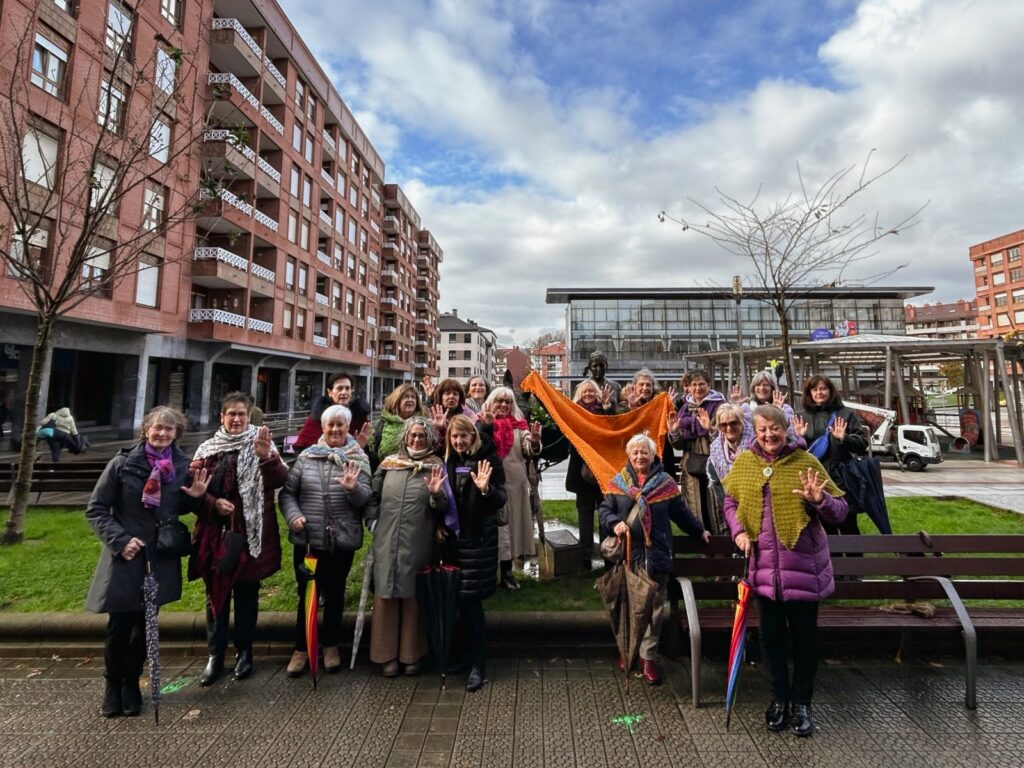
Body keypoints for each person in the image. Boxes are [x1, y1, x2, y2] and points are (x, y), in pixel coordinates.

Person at [723, 404, 849, 738]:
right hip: (763, 570)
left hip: (804, 569)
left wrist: (819, 500)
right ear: (755, 431)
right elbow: (730, 501)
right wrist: (737, 531)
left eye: (775, 428)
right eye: (762, 429)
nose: (769, 435)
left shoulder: (806, 462)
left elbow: (839, 512)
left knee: (805, 639)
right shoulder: (745, 463)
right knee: (771, 637)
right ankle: (779, 698)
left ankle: (802, 702)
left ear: (785, 429)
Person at [85, 406, 209, 717]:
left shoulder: (180, 466)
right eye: (158, 428)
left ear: (176, 434)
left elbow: (175, 508)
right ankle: (112, 686)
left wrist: (195, 496)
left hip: (159, 556)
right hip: (126, 554)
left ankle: (131, 683)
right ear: (146, 430)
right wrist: (120, 540)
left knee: (145, 624)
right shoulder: (123, 463)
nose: (162, 434)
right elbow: (96, 509)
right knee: (120, 624)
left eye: (169, 429)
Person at [189, 392, 288, 686]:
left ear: (249, 416)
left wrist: (266, 458)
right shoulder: (208, 449)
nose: (236, 419)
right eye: (230, 414)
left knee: (247, 595)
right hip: (215, 536)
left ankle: (245, 652)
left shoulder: (262, 443)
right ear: (222, 417)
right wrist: (212, 504)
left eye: (241, 414)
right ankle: (215, 655)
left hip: (252, 534)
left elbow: (281, 480)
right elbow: (192, 490)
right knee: (215, 597)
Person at [598, 433, 709, 685]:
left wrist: (699, 530)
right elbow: (604, 510)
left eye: (644, 452)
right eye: (635, 452)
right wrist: (615, 523)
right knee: (627, 606)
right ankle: (627, 651)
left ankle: (648, 657)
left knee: (653, 610)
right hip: (627, 557)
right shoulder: (618, 483)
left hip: (655, 557)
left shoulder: (665, 483)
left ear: (652, 455)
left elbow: (681, 513)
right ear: (629, 455)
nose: (639, 456)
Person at [279, 404, 372, 676]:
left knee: (335, 593)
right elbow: (287, 494)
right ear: (323, 428)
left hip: (341, 540)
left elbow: (366, 498)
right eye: (330, 425)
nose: (335, 430)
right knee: (307, 594)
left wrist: (353, 488)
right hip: (309, 538)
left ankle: (330, 645)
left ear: (347, 428)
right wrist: (294, 516)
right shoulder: (307, 457)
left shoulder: (357, 457)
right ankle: (301, 647)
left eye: (340, 425)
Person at [365, 417, 445, 676]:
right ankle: (385, 654)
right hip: (386, 537)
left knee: (413, 595)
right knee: (386, 593)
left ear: (430, 438)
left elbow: (445, 507)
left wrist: (435, 495)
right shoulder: (389, 464)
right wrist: (373, 522)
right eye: (413, 435)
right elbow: (372, 496)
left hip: (419, 538)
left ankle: (412, 653)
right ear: (404, 437)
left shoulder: (435, 466)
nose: (417, 439)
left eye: (422, 435)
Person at [437, 414, 507, 692]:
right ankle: (465, 656)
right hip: (455, 543)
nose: (459, 441)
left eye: (463, 436)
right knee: (458, 602)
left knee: (471, 602)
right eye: (454, 437)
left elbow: (501, 498)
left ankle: (478, 663)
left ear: (473, 436)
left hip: (478, 541)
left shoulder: (488, 461)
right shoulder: (448, 461)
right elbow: (443, 499)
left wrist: (486, 489)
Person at [792, 375, 868, 535]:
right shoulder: (801, 417)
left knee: (848, 525)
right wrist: (801, 437)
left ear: (830, 391)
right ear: (809, 393)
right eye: (814, 389)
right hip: (816, 480)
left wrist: (844, 438)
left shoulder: (846, 414)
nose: (819, 392)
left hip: (842, 480)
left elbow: (862, 445)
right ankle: (832, 559)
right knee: (824, 528)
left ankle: (855, 560)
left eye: (823, 388)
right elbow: (792, 452)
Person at [484, 386, 542, 590]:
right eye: (499, 401)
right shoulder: (483, 423)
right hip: (489, 484)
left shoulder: (520, 426)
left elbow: (529, 449)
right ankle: (490, 572)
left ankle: (507, 572)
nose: (503, 405)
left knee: (511, 528)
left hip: (514, 483)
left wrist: (534, 443)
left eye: (507, 402)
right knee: (493, 529)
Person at [564, 380, 612, 568]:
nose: (589, 394)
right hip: (581, 471)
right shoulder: (574, 412)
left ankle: (608, 554)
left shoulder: (605, 409)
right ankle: (585, 556)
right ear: (579, 394)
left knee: (605, 512)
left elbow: (610, 428)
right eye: (585, 391)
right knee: (584, 514)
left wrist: (607, 408)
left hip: (601, 471)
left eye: (592, 391)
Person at [670, 369, 725, 530]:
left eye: (701, 384)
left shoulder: (720, 406)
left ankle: (722, 545)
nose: (698, 388)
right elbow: (679, 445)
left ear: (709, 385)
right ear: (689, 387)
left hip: (715, 462)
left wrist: (710, 429)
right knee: (696, 506)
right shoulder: (685, 409)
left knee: (717, 503)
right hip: (691, 464)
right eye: (694, 384)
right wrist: (673, 432)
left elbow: (727, 437)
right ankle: (702, 541)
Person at [705, 403, 755, 533]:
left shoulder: (755, 443)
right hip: (729, 503)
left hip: (755, 502)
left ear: (742, 422)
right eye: (723, 425)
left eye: (734, 423)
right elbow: (716, 482)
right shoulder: (715, 448)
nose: (729, 428)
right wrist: (728, 506)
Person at [295, 373, 371, 451]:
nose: (344, 392)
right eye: (339, 388)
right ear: (330, 392)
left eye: (347, 388)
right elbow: (302, 449)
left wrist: (359, 447)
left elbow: (369, 449)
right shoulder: (317, 418)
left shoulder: (359, 417)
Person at [368, 383, 433, 468]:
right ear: (397, 400)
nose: (410, 400)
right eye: (406, 396)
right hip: (387, 473)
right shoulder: (384, 423)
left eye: (413, 397)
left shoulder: (424, 423)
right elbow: (372, 451)